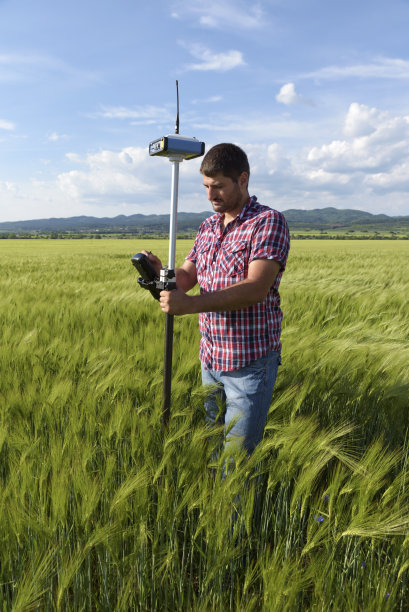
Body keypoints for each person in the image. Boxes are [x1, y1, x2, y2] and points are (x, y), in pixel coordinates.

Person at [143, 143, 290, 455]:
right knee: (213, 449)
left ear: (243, 180)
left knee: (236, 461)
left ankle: (236, 506)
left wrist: (191, 305)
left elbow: (256, 288)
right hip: (210, 358)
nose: (211, 195)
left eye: (219, 186)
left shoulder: (267, 222)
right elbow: (186, 276)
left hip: (248, 363)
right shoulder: (208, 226)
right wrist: (161, 274)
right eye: (206, 187)